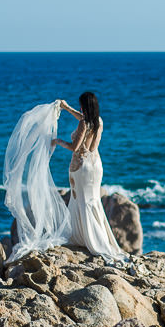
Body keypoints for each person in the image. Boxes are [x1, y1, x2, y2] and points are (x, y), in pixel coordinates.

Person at [53, 92, 125, 259]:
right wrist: (66, 107)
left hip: (81, 167)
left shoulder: (83, 124)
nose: (79, 108)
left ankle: (88, 239)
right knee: (93, 201)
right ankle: (98, 237)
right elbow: (82, 120)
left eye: (80, 105)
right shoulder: (98, 121)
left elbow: (74, 147)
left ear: (85, 106)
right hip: (96, 166)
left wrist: (57, 141)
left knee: (80, 201)